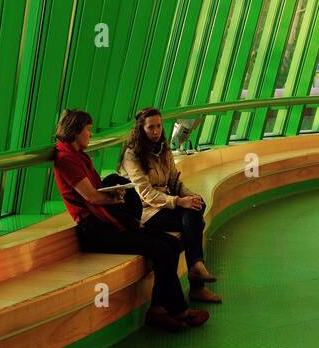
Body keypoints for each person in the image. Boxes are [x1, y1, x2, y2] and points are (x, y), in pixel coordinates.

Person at [53, 108, 209, 333]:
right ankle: (177, 311)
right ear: (76, 131)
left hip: (106, 223)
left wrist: (114, 195)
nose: (91, 135)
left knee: (173, 244)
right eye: (88, 131)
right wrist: (117, 197)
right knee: (163, 249)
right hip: (96, 230)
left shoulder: (79, 156)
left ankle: (159, 309)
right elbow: (93, 196)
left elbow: (97, 193)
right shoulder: (66, 159)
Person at [120, 107, 222, 304]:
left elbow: (175, 181)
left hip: (166, 205)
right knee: (194, 222)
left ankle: (196, 269)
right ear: (141, 130)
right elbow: (146, 194)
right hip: (146, 212)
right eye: (151, 127)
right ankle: (197, 278)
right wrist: (178, 201)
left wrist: (190, 196)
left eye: (158, 126)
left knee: (195, 208)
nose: (156, 131)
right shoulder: (132, 155)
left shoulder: (164, 149)